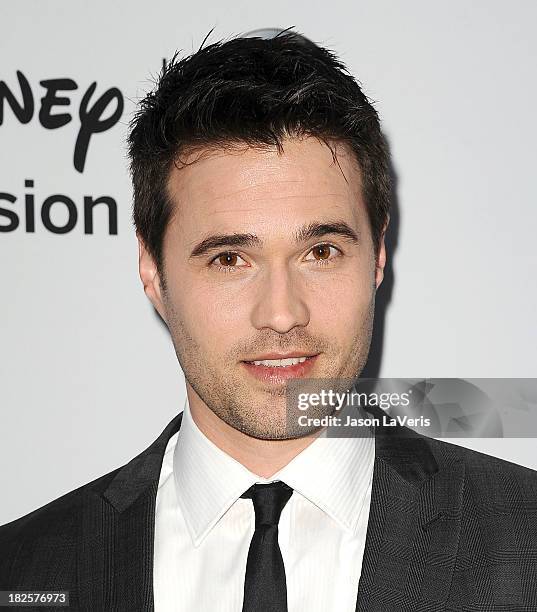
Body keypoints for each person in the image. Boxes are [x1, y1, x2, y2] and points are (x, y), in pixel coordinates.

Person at [1, 30, 537, 612]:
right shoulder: (25, 567)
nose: (282, 314)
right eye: (230, 260)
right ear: (152, 272)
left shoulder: (524, 537)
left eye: (321, 252)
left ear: (378, 257)